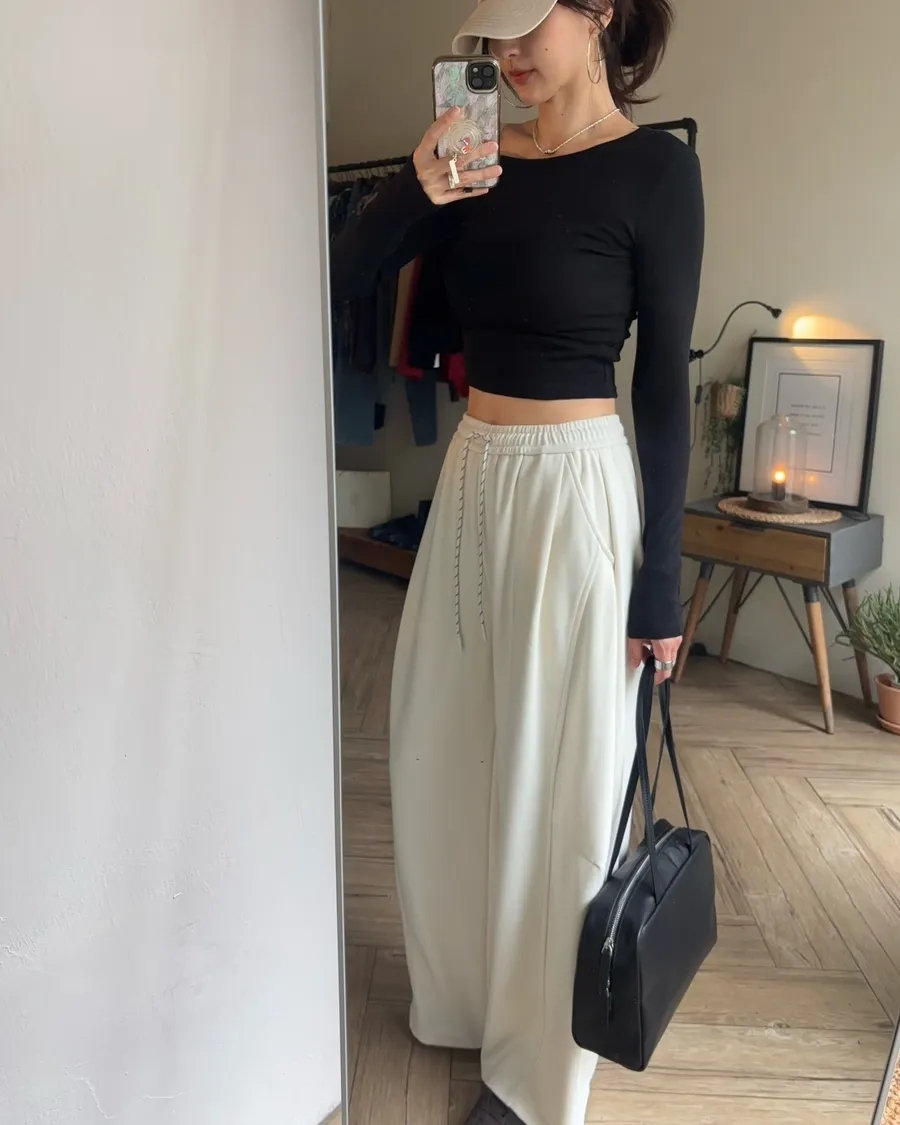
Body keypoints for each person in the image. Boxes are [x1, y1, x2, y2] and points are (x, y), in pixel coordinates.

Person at [329, 1, 704, 1121]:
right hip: (475, 477)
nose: (504, 57)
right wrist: (416, 185)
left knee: (565, 777)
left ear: (597, 14)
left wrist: (661, 580)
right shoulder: (476, 159)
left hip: (576, 485)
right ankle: (464, 1001)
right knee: (441, 745)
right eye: (489, 39)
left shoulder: (656, 172)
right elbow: (345, 278)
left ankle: (539, 1072)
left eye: (524, 28)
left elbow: (664, 387)